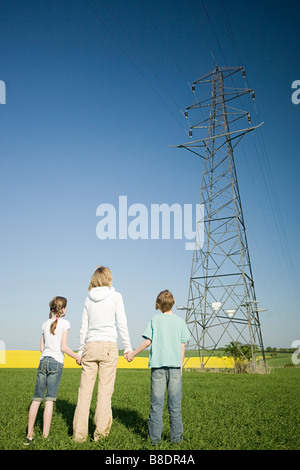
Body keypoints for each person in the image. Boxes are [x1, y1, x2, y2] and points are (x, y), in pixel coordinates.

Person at [73, 266, 132, 442]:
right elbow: (122, 322)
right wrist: (127, 347)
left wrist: (80, 350)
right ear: (109, 278)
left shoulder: (88, 299)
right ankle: (100, 435)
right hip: (108, 346)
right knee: (105, 393)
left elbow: (83, 326)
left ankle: (79, 436)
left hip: (90, 346)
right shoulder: (116, 296)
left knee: (84, 393)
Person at [125, 290, 191, 445]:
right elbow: (182, 347)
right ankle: (176, 440)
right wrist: (180, 366)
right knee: (175, 406)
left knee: (156, 405)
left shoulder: (155, 320)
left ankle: (155, 441)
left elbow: (148, 342)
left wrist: (133, 353)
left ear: (159, 304)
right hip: (175, 368)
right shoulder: (180, 322)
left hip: (158, 368)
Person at [24, 296, 80, 445]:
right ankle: (45, 436)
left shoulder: (45, 323)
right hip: (56, 363)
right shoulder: (65, 323)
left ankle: (29, 435)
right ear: (62, 309)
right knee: (49, 400)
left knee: (36, 399)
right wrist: (78, 357)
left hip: (43, 361)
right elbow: (63, 347)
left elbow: (41, 348)